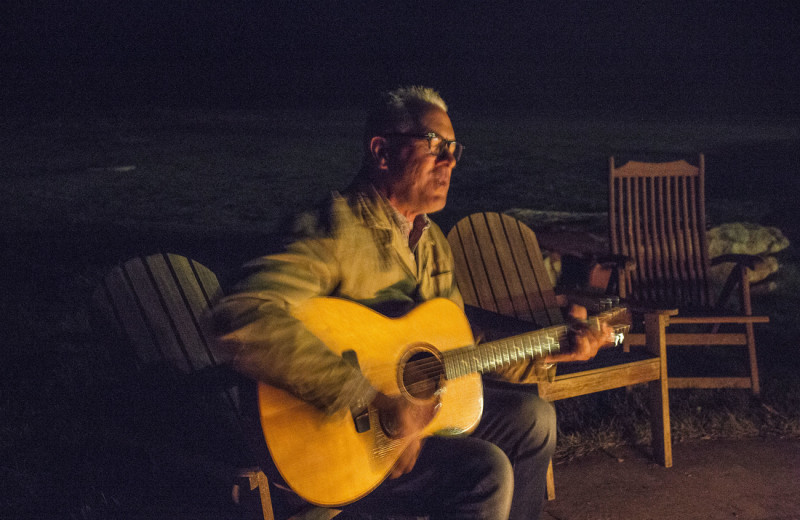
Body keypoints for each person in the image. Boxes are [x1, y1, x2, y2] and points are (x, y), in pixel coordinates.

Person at [213, 86, 610, 519]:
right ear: (382, 152)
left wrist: (554, 349)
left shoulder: (432, 241)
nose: (450, 161)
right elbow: (241, 314)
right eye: (435, 145)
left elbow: (460, 347)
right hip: (353, 445)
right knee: (486, 470)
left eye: (454, 149)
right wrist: (366, 398)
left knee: (533, 418)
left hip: (421, 419)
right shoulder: (333, 231)